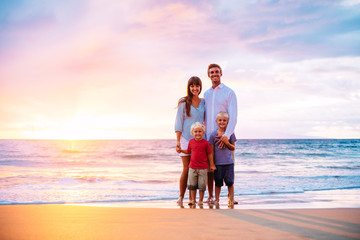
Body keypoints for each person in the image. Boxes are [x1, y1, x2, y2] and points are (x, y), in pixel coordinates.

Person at [204, 63, 238, 203]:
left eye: (217, 71)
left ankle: (230, 197)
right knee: (211, 168)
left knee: (229, 164)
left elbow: (233, 115)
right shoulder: (206, 94)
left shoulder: (229, 92)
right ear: (208, 75)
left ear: (221, 73)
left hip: (225, 136)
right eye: (211, 72)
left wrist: (226, 136)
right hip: (210, 137)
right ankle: (211, 196)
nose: (214, 74)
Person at [175, 76, 205, 205]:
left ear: (200, 87)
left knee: (198, 169)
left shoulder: (204, 102)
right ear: (189, 87)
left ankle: (196, 199)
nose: (194, 88)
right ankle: (181, 197)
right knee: (187, 169)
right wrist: (177, 141)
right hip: (186, 139)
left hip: (199, 140)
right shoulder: (183, 102)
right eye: (192, 86)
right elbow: (179, 122)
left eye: (197, 86)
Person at [179, 122, 216, 206]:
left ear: (203, 132)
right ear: (192, 133)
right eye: (195, 132)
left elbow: (210, 154)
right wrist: (181, 150)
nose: (198, 133)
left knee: (202, 185)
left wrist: (212, 164)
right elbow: (188, 151)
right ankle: (192, 200)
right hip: (192, 167)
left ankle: (200, 200)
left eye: (200, 131)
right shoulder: (191, 142)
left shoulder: (205, 143)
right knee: (192, 185)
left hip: (203, 168)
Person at [209, 112, 236, 207]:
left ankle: (231, 199)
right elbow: (211, 151)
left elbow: (233, 148)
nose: (222, 122)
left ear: (228, 122)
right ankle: (217, 199)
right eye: (220, 120)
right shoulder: (213, 135)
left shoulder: (230, 134)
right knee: (218, 182)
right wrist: (212, 164)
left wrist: (226, 142)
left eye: (224, 120)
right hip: (218, 164)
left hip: (229, 163)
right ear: (216, 121)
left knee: (230, 182)